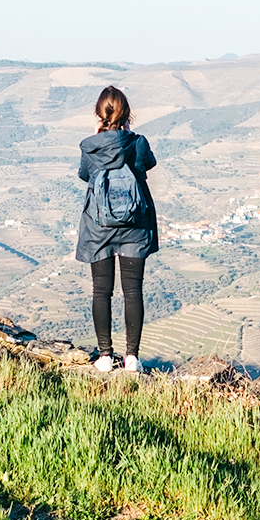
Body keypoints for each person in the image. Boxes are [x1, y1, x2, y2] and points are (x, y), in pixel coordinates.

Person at [76, 85, 158, 373]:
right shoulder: (138, 143)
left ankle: (105, 356)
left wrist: (99, 135)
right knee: (133, 290)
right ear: (127, 113)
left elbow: (85, 175)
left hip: (99, 226)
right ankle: (132, 357)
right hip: (135, 224)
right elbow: (148, 164)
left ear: (99, 114)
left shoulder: (90, 146)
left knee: (102, 290)